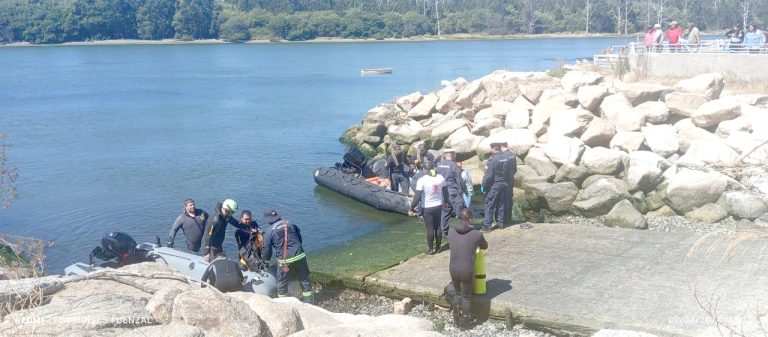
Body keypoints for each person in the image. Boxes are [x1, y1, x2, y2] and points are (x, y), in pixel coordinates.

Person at [262, 209, 314, 303]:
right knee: (304, 280)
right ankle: (310, 304)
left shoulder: (269, 231)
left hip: (284, 261)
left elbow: (267, 250)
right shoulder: (290, 223)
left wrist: (266, 262)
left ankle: (284, 305)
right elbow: (299, 238)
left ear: (267, 220)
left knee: (282, 283)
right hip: (300, 255)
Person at [448, 208, 488, 329]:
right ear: (470, 219)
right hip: (466, 269)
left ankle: (455, 319)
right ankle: (465, 324)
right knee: (466, 296)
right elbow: (485, 246)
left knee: (457, 293)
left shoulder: (450, 231)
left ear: (460, 219)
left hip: (453, 268)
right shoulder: (477, 234)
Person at [408, 161, 446, 255]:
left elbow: (417, 197)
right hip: (438, 205)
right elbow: (445, 191)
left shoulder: (422, 180)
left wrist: (411, 208)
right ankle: (438, 247)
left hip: (427, 207)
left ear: (424, 169)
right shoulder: (440, 177)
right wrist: (446, 202)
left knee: (430, 228)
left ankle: (430, 249)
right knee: (438, 227)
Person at [436, 149, 467, 238]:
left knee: (445, 212)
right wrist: (464, 190)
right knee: (461, 211)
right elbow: (459, 180)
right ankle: (463, 229)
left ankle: (444, 231)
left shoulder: (439, 165)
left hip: (443, 192)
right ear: (452, 155)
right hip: (453, 192)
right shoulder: (454, 165)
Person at [482, 143, 506, 231]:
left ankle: (487, 226)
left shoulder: (493, 159)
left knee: (489, 204)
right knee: (501, 203)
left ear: (493, 149)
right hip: (503, 183)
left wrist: (484, 184)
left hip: (494, 184)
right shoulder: (505, 157)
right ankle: (500, 223)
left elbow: (489, 174)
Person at [499, 142, 517, 227]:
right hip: (511, 179)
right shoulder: (512, 155)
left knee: (504, 200)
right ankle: (509, 217)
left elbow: (503, 169)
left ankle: (505, 219)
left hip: (505, 180)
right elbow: (515, 169)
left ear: (502, 147)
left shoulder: (504, 156)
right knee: (510, 199)